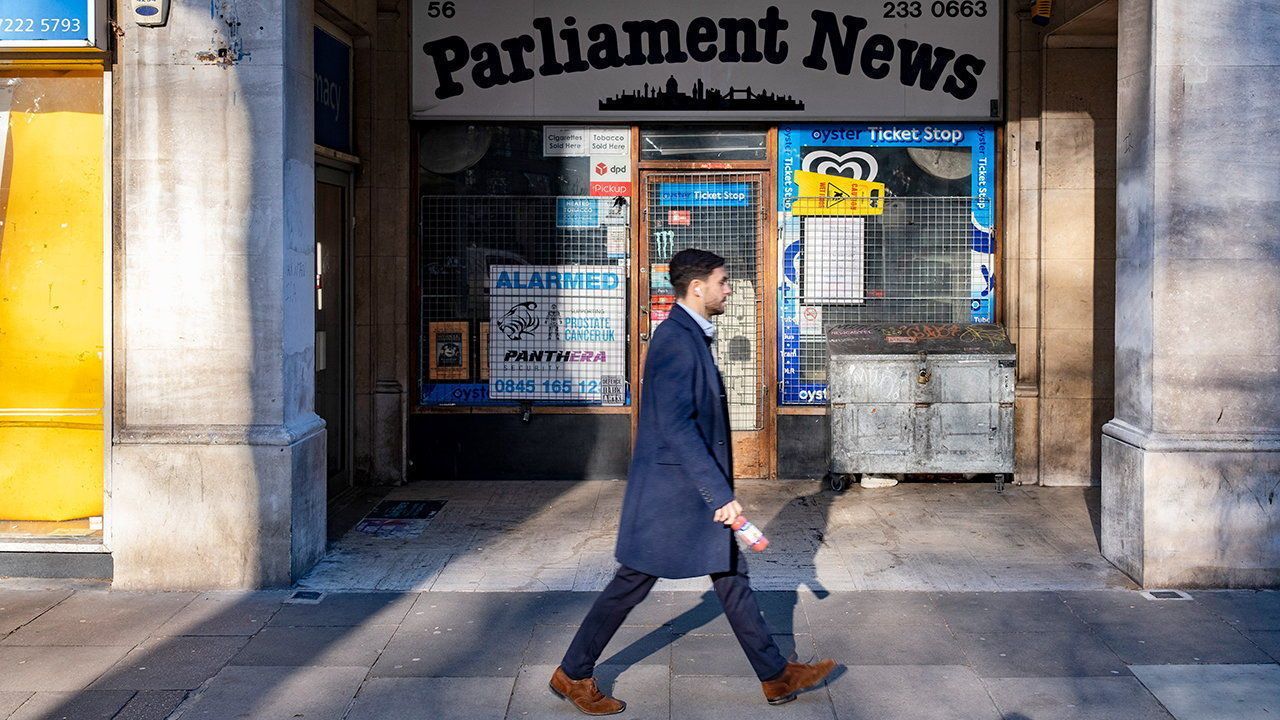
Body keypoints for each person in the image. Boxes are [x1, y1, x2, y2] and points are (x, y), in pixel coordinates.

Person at [549, 248, 837, 715]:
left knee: (731, 576)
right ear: (697, 287)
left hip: (687, 492)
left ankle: (775, 676)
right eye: (723, 281)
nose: (728, 289)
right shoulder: (675, 340)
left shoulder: (692, 335)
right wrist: (720, 495)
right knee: (632, 583)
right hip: (671, 497)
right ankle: (573, 673)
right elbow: (678, 426)